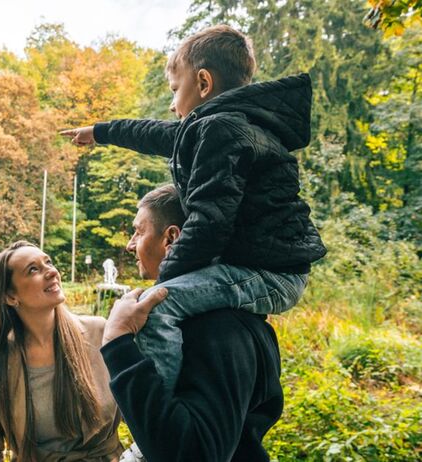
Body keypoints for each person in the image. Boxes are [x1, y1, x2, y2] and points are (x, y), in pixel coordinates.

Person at [60, 24, 326, 391]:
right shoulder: (225, 124)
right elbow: (154, 133)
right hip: (266, 265)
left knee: (158, 308)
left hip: (269, 272)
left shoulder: (222, 129)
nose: (172, 104)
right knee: (168, 298)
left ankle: (156, 420)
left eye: (175, 90)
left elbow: (209, 222)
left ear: (203, 83)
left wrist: (165, 279)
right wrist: (101, 131)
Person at [102, 184, 286, 461]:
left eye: (139, 231)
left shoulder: (215, 327)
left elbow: (192, 453)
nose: (130, 244)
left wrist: (117, 341)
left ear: (171, 237)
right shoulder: (228, 316)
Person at [0, 241, 130, 461]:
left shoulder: (100, 333)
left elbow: (145, 409)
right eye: (33, 269)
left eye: (48, 262)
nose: (51, 272)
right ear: (11, 296)